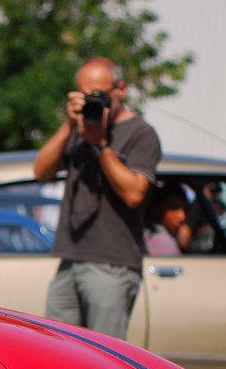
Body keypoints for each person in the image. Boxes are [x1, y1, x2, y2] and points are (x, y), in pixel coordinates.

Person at [34, 56, 161, 340]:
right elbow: (41, 171)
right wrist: (69, 124)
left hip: (112, 264)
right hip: (71, 257)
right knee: (56, 348)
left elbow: (134, 194)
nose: (92, 102)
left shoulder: (141, 134)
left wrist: (101, 145)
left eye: (99, 95)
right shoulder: (78, 128)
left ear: (121, 90)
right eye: (84, 94)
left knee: (104, 355)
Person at [144, 182, 192, 256]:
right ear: (157, 209)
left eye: (185, 209)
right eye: (174, 208)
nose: (182, 217)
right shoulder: (164, 243)